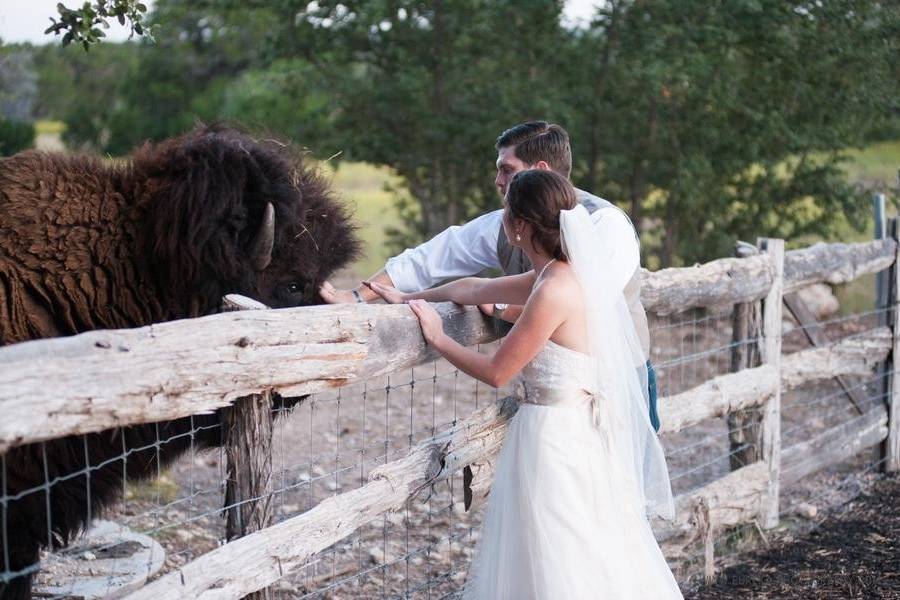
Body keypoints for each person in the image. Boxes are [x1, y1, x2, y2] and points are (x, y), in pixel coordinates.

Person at [367, 170, 681, 599]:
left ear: (520, 227)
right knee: (565, 543)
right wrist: (408, 298)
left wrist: (437, 338)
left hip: (556, 437)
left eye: (505, 211)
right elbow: (475, 287)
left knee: (560, 548)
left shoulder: (553, 288)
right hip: (570, 429)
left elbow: (498, 371)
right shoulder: (562, 274)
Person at [320, 121, 661, 431]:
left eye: (506, 170)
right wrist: (361, 297)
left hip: (618, 383)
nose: (498, 181)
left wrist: (498, 311)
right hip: (554, 401)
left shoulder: (606, 225)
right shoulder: (510, 224)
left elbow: (588, 308)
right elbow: (434, 259)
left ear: (540, 169)